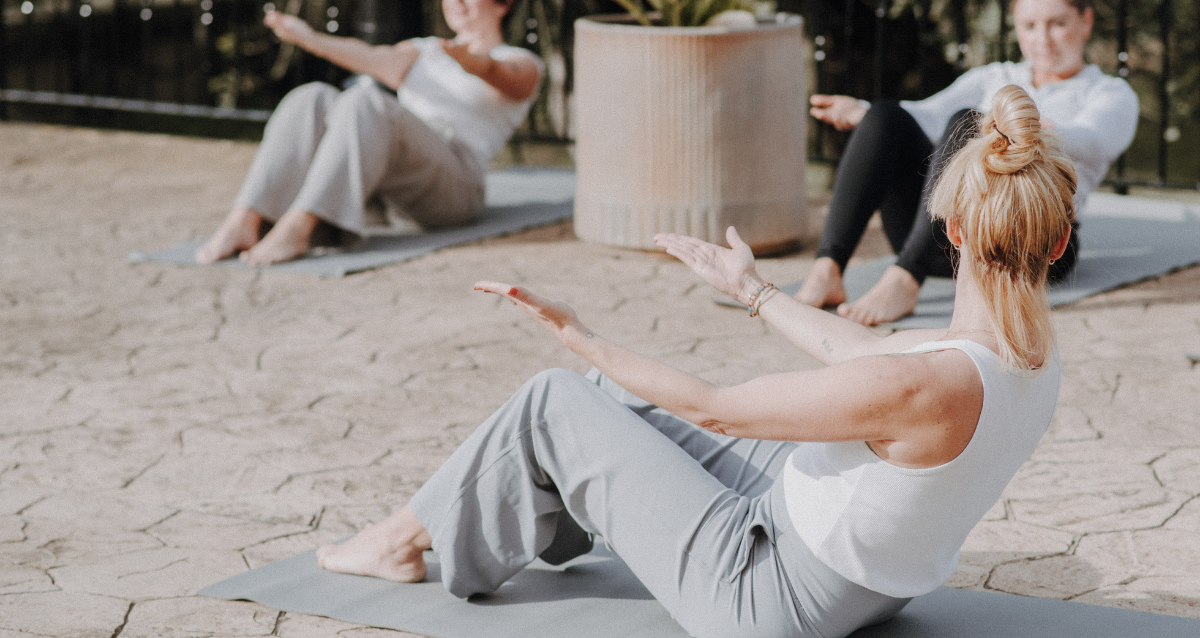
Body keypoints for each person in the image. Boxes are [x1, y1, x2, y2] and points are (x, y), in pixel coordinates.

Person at [313, 85, 1074, 638]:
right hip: (872, 586)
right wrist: (751, 289)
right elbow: (863, 350)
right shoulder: (1031, 359)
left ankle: (395, 543)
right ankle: (529, 514)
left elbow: (716, 409)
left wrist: (579, 335)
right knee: (610, 395)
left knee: (555, 399)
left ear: (957, 234)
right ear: (1058, 241)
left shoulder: (922, 384)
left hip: (767, 593)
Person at [801, 0, 1138, 325]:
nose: (1042, 40)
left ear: (1085, 21)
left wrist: (1023, 128)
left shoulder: (1109, 93)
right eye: (1029, 26)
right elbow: (926, 115)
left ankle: (905, 276)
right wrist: (863, 111)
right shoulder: (996, 76)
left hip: (1029, 244)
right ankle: (828, 267)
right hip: (946, 235)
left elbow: (1094, 141)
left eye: (1057, 24)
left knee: (969, 122)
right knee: (887, 115)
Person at [196, 0, 544, 265]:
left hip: (454, 191)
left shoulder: (521, 61)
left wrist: (472, 60)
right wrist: (308, 37)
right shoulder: (426, 50)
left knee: (368, 101)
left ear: (504, 0)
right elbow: (370, 57)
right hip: (391, 187)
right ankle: (246, 218)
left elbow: (505, 77)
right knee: (313, 96)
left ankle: (300, 226)